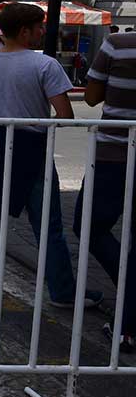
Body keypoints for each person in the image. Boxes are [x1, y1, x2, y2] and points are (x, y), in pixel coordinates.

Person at [0, 2, 102, 308]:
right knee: (47, 226)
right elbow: (64, 115)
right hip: (34, 149)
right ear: (26, 31)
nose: (43, 31)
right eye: (40, 27)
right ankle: (62, 291)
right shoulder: (45, 65)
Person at [73, 28, 136, 350]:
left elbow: (91, 96)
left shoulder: (118, 44)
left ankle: (128, 305)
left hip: (114, 154)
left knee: (90, 226)